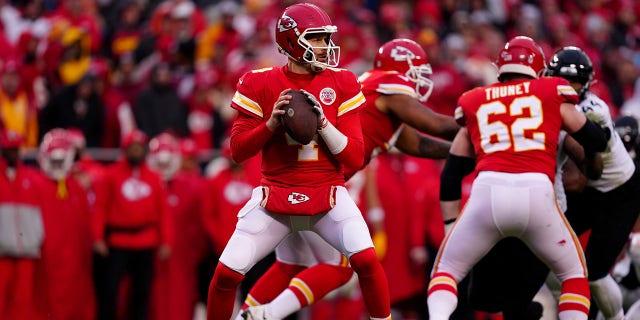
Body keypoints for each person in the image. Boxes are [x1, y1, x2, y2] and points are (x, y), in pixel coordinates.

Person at [239, 38, 459, 319]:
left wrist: (464, 153)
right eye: (417, 71)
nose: (420, 80)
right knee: (341, 268)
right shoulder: (388, 88)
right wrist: (480, 126)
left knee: (290, 264)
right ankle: (267, 314)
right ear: (402, 69)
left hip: (293, 179)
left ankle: (246, 314)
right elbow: (435, 124)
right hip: (317, 185)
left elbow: (417, 143)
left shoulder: (375, 98)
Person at [205, 3, 392, 320]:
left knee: (365, 262)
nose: (325, 46)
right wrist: (270, 126)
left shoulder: (342, 81)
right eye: (317, 38)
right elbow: (238, 150)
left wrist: (322, 125)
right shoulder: (259, 82)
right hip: (276, 195)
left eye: (325, 38)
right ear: (292, 41)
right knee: (226, 275)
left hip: (327, 194)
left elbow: (354, 156)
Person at [428, 36, 610, 320]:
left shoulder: (475, 100)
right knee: (574, 275)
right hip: (538, 194)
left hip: (488, 194)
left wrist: (453, 228)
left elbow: (451, 175)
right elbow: (596, 141)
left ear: (499, 67)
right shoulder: (551, 91)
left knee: (445, 271)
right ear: (538, 70)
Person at [458, 46, 640, 320]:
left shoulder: (591, 110)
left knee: (591, 271)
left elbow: (584, 176)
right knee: (546, 256)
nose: (568, 87)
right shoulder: (547, 102)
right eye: (563, 80)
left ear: (587, 83)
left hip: (617, 191)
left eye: (575, 83)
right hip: (588, 190)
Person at [92, 129, 173, 320]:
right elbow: (100, 208)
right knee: (110, 291)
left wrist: (167, 241)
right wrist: (97, 237)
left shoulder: (154, 178)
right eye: (132, 147)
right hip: (118, 242)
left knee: (142, 293)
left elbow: (164, 212)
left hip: (145, 242)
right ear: (125, 149)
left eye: (139, 147)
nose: (136, 151)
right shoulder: (111, 175)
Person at [34, 128, 95, 320]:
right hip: (44, 260)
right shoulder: (35, 185)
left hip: (74, 260)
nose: (58, 165)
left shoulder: (77, 187)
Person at [0, 130, 43, 320]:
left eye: (15, 149)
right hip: (2, 252)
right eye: (9, 149)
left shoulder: (32, 178)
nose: (12, 153)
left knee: (24, 302)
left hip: (26, 249)